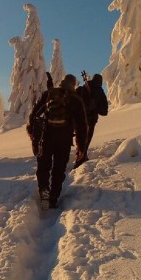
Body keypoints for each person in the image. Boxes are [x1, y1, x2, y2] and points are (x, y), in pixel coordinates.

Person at [28, 74, 88, 210]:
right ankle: (53, 198)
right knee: (59, 169)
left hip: (47, 136)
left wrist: (31, 132)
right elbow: (82, 126)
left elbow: (34, 114)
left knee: (44, 166)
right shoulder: (76, 100)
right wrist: (81, 147)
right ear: (73, 85)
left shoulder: (49, 94)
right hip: (65, 140)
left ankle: (44, 191)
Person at [74, 73, 109, 167]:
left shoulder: (81, 88)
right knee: (86, 139)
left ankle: (79, 155)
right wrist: (96, 108)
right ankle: (81, 158)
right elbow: (104, 111)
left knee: (80, 138)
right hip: (91, 120)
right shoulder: (99, 91)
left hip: (78, 119)